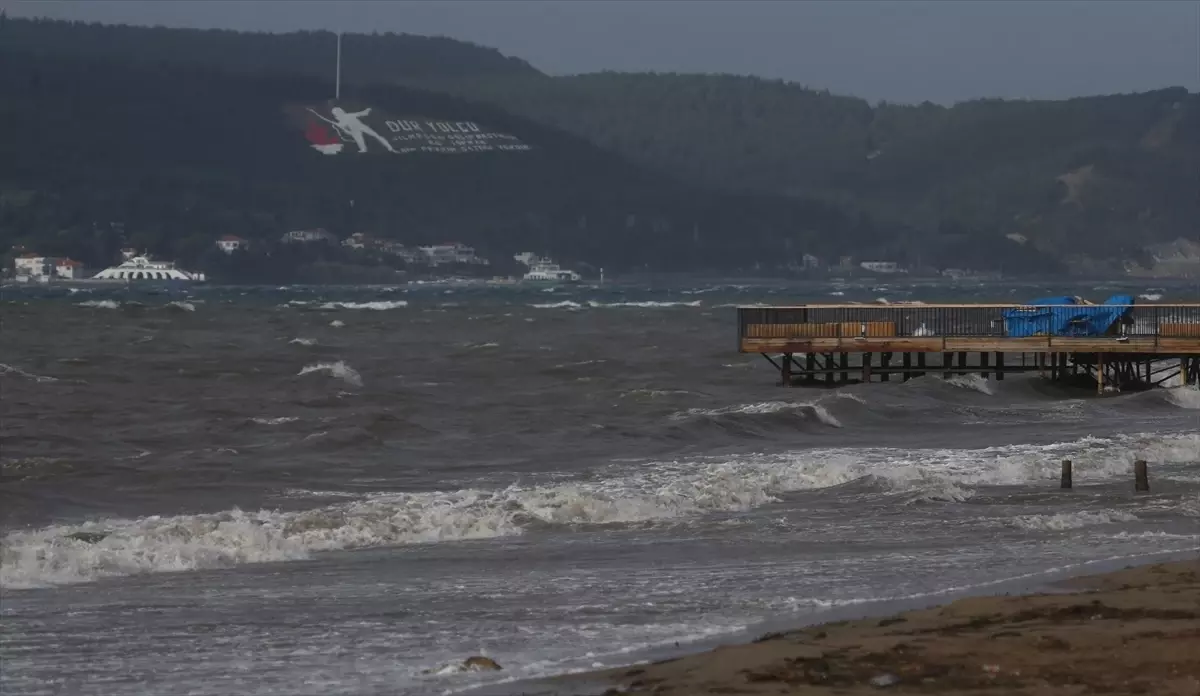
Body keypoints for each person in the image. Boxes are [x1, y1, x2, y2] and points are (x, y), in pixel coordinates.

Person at [308, 106, 396, 153]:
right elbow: (344, 129)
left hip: (361, 127)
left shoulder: (347, 116)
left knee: (376, 136)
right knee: (363, 145)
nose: (337, 114)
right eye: (336, 113)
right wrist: (341, 128)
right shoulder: (342, 120)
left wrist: (367, 110)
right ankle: (365, 150)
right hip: (355, 131)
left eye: (338, 112)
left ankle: (390, 148)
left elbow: (362, 114)